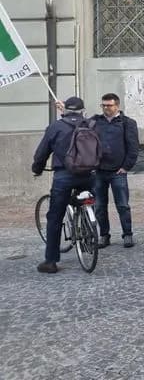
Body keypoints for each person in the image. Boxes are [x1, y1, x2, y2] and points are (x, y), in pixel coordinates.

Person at [32, 97, 96, 273]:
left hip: (64, 176)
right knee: (86, 201)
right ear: (83, 110)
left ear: (65, 110)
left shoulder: (55, 127)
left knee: (55, 217)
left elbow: (41, 153)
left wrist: (37, 168)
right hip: (89, 175)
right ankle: (90, 236)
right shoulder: (91, 124)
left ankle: (50, 261)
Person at [91, 92, 139, 249]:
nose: (106, 108)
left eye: (109, 105)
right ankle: (104, 235)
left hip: (118, 172)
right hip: (99, 171)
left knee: (123, 205)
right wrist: (64, 111)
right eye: (103, 105)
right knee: (99, 206)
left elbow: (133, 148)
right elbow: (78, 124)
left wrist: (125, 167)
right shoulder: (95, 122)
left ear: (117, 105)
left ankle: (127, 234)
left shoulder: (127, 123)